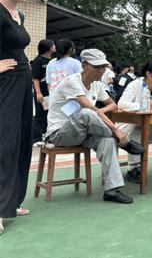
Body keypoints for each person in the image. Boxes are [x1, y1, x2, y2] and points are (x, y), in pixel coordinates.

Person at [46, 49, 144, 204]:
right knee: (87, 114)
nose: (101, 71)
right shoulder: (72, 82)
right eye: (96, 67)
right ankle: (122, 140)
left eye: (103, 67)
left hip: (84, 132)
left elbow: (113, 105)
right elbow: (90, 110)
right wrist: (116, 129)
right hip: (60, 134)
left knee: (107, 140)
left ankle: (112, 190)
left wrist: (100, 110)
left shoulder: (97, 86)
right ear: (84, 65)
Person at [0, 0, 35, 235]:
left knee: (23, 139)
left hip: (23, 79)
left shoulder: (18, 14)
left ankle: (12, 202)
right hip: (5, 83)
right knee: (5, 143)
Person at [118, 60, 152, 182]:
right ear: (148, 73)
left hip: (150, 123)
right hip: (127, 125)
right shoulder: (134, 84)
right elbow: (121, 104)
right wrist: (144, 105)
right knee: (138, 131)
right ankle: (133, 169)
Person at [31, 39, 55, 145]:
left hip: (52, 93)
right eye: (53, 45)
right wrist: (38, 92)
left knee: (49, 114)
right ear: (48, 47)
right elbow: (35, 78)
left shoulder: (53, 60)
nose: (55, 46)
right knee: (40, 114)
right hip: (42, 92)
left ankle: (46, 135)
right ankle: (36, 138)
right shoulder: (38, 61)